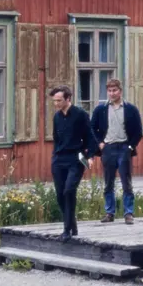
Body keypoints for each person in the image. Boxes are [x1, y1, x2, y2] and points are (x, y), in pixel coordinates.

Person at [90, 78, 143, 225]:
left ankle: (128, 213)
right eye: (109, 91)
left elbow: (139, 131)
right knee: (108, 182)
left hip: (123, 148)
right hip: (108, 148)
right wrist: (100, 143)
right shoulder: (100, 109)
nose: (112, 93)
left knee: (126, 182)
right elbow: (92, 128)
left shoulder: (130, 109)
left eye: (115, 90)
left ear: (120, 91)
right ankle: (109, 212)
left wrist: (130, 147)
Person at [49, 85, 98, 239]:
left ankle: (67, 230)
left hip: (76, 158)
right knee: (59, 194)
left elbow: (90, 137)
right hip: (59, 159)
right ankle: (72, 224)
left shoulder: (80, 114)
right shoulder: (57, 117)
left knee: (69, 190)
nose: (56, 104)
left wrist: (90, 156)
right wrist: (54, 156)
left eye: (59, 100)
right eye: (54, 101)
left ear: (68, 99)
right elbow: (56, 139)